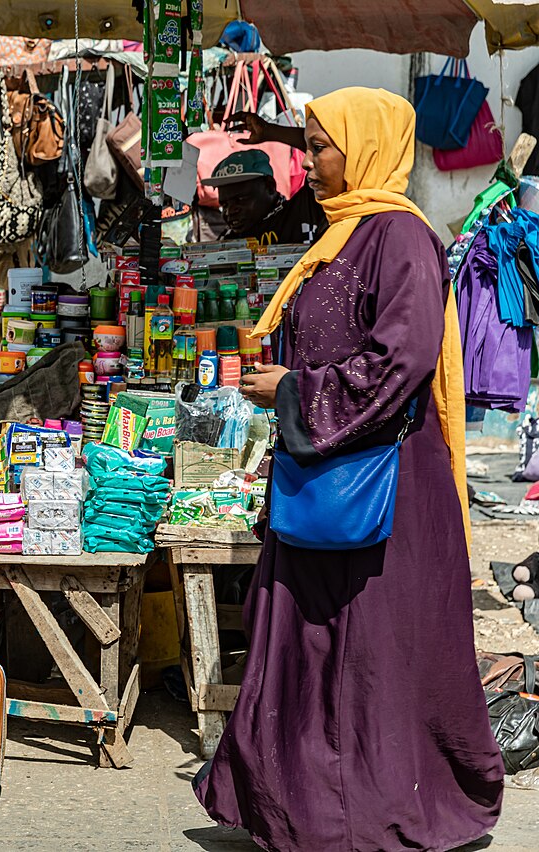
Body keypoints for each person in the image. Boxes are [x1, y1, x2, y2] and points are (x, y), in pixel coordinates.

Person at [196, 88, 504, 850]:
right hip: (324, 472)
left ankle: (368, 809)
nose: (310, 160)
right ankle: (297, 804)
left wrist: (297, 391)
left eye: (322, 145)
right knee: (306, 640)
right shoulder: (339, 234)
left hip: (384, 486)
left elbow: (401, 358)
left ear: (365, 148)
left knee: (369, 653)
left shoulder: (398, 237)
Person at [201, 145, 327, 245]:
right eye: (225, 205)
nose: (230, 212)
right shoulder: (229, 240)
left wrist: (269, 131)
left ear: (270, 186)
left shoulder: (302, 210)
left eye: (240, 199)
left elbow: (323, 154)